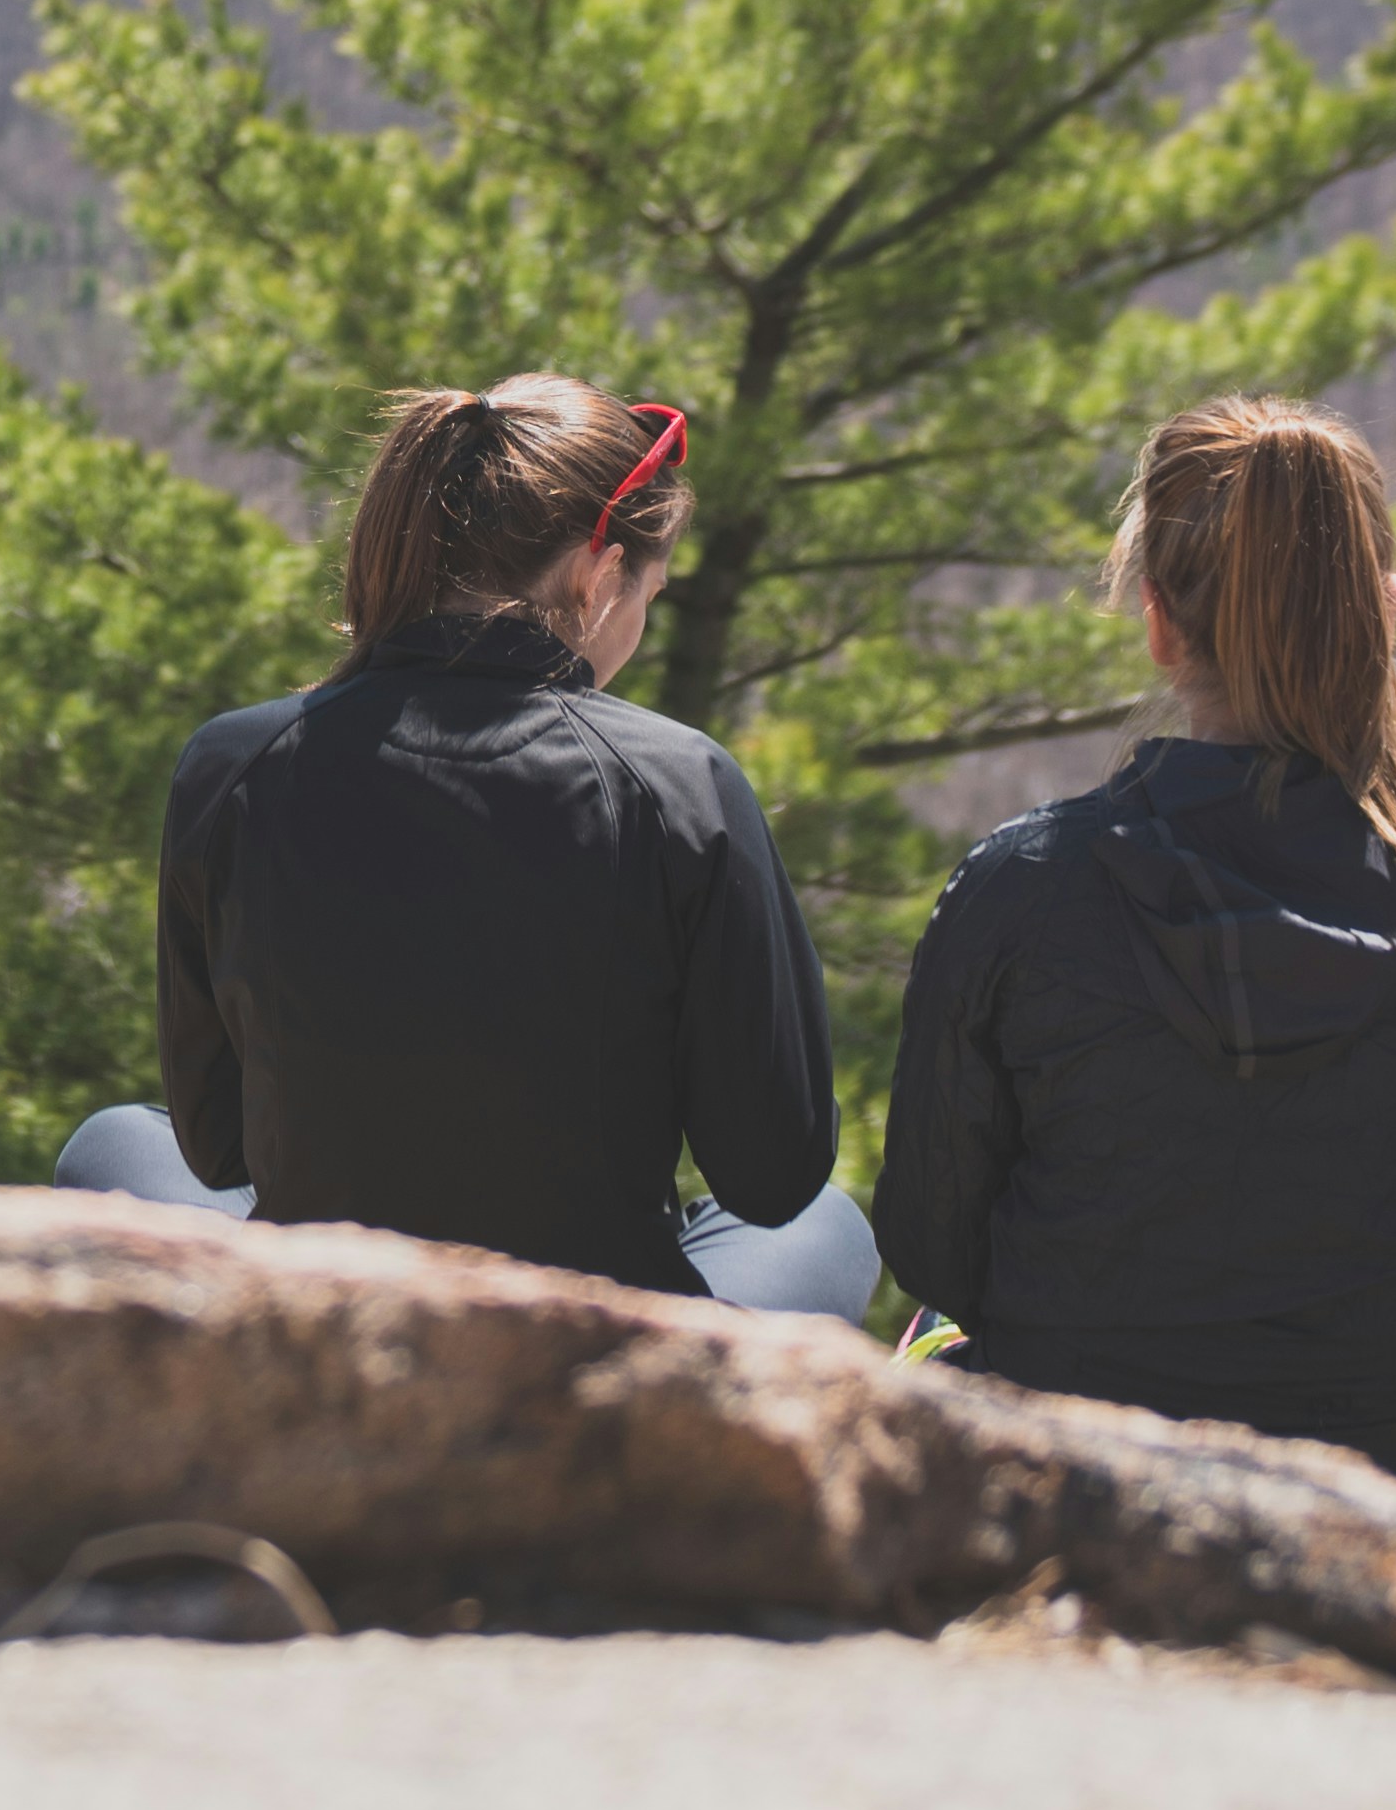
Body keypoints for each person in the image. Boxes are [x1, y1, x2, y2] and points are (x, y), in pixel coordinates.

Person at [872, 396, 1396, 1511]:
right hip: (1393, 1513)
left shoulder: (1020, 892)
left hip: (1076, 1493)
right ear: (1384, 613)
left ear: (1158, 620)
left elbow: (937, 1247)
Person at [57, 374, 876, 1318]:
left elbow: (217, 1149)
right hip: (595, 1348)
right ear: (598, 573)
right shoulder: (680, 785)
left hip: (320, 1319)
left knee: (115, 1141)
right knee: (827, 1224)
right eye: (650, 590)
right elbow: (773, 1178)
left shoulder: (235, 762)